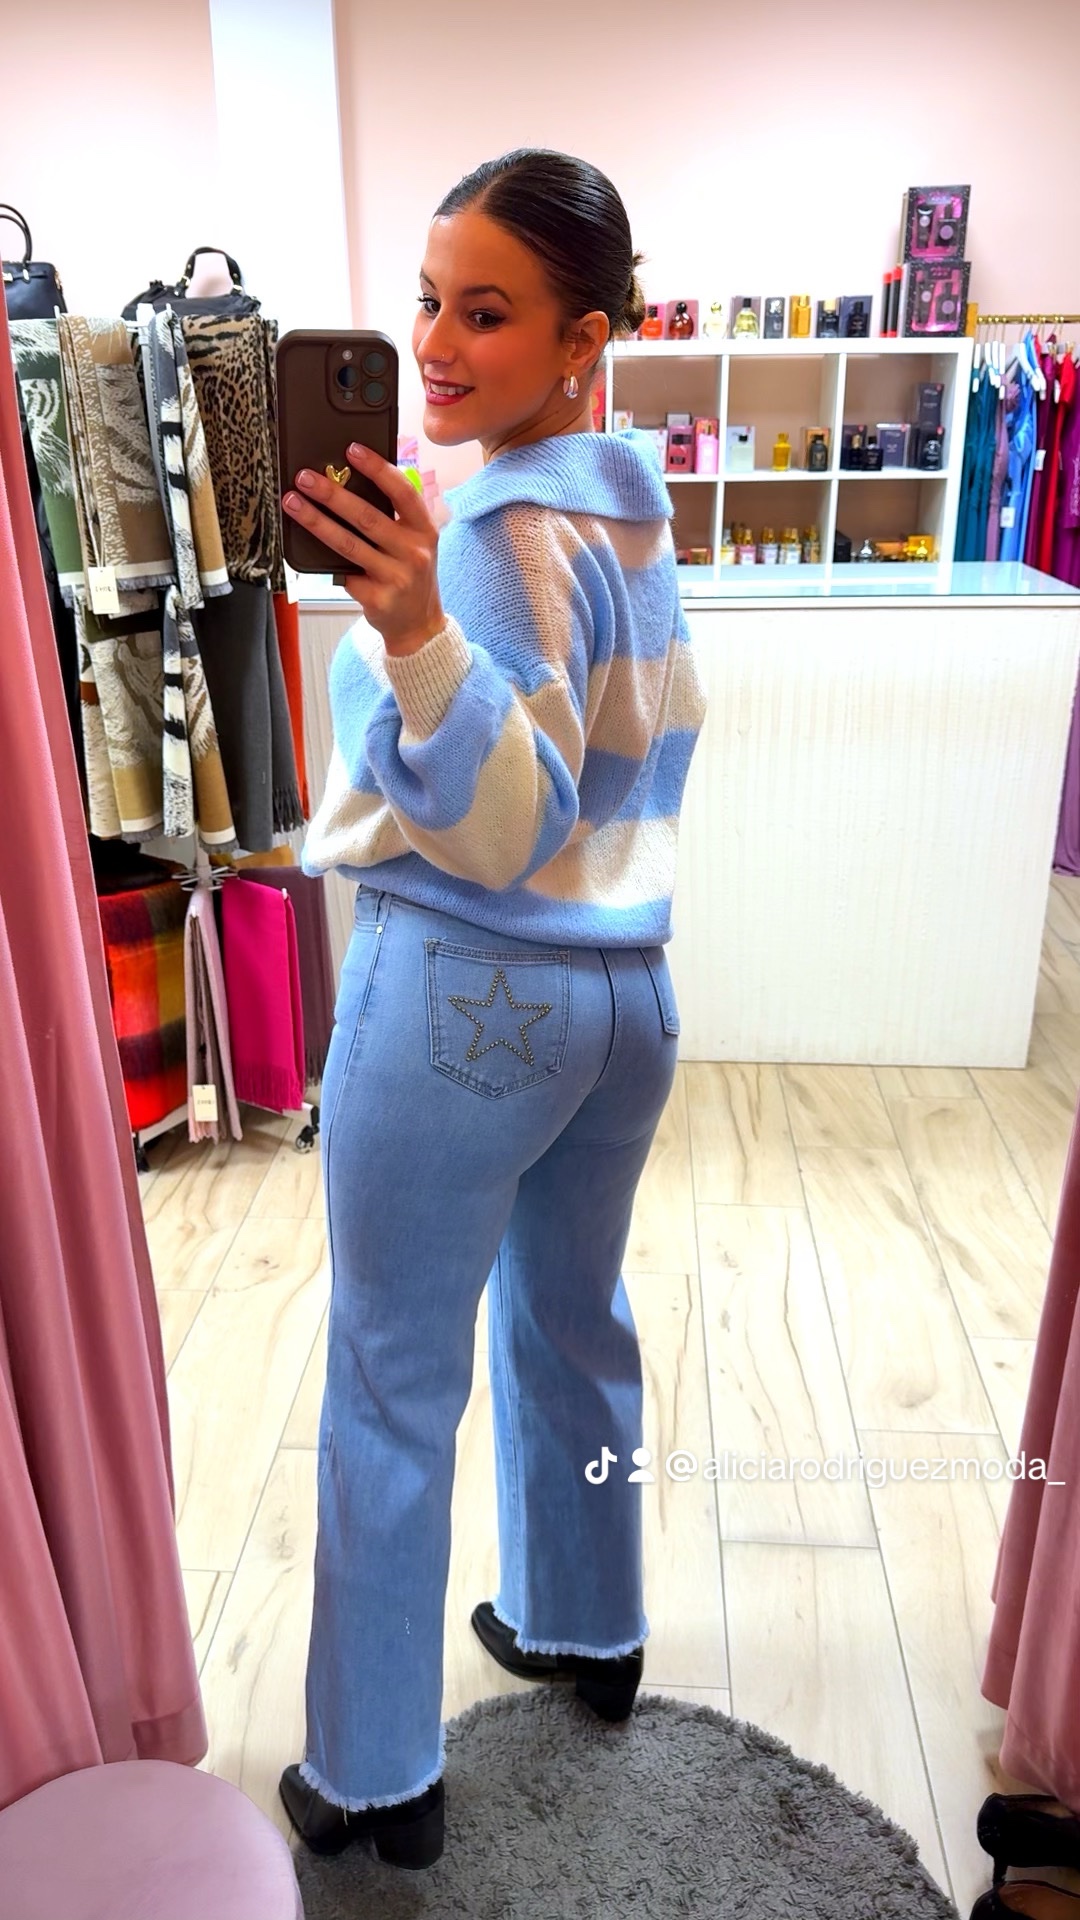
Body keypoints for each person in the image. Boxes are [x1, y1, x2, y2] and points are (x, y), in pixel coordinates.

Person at [276, 147, 707, 1871]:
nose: (438, 347)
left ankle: (373, 1775)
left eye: (488, 313)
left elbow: (507, 818)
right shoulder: (632, 512)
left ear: (584, 337)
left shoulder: (485, 536)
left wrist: (410, 634)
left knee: (393, 1378)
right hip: (627, 998)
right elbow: (635, 763)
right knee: (574, 1324)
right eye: (429, 303)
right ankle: (590, 1625)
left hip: (468, 992)